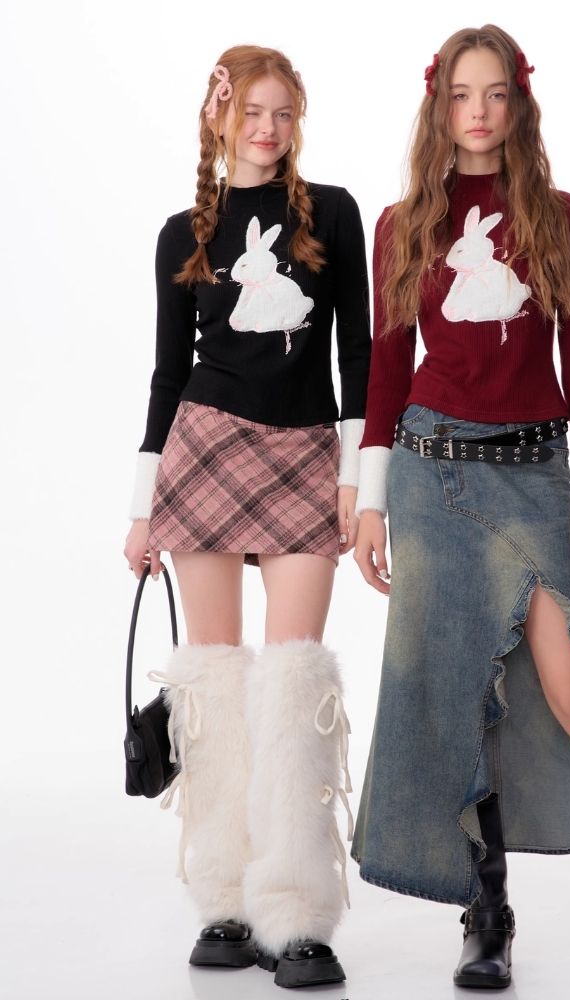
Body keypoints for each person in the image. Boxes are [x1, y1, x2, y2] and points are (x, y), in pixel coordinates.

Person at [352, 24, 570, 998]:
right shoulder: (402, 223)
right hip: (429, 478)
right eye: (462, 94)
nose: (479, 111)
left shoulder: (560, 215)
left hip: (532, 474)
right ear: (439, 106)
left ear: (519, 102)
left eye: (496, 93)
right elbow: (385, 372)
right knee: (462, 702)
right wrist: (370, 504)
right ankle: (486, 915)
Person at [123, 44, 369, 989]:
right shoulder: (181, 233)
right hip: (206, 448)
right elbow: (166, 375)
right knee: (216, 682)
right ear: (219, 117)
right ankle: (225, 900)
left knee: (296, 680)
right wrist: (142, 511)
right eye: (252, 112)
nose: (268, 129)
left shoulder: (332, 213)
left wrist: (359, 477)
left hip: (307, 452)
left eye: (283, 113)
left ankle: (297, 908)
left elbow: (358, 354)